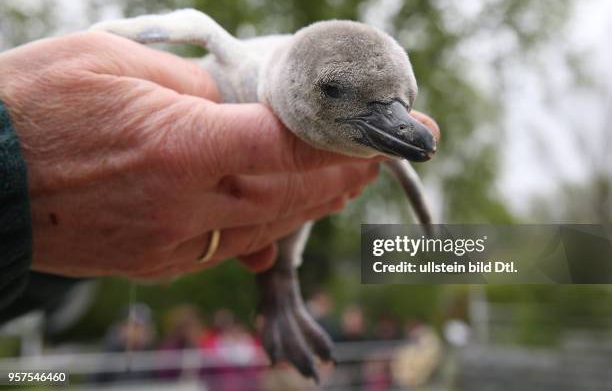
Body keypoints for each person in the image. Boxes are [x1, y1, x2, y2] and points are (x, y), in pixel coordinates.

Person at [0, 31, 440, 321]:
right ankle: (282, 289)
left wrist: (48, 253)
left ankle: (282, 287)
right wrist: (19, 176)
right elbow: (189, 27)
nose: (406, 128)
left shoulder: (358, 134)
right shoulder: (255, 70)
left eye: (400, 103)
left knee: (303, 189)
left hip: (43, 278)